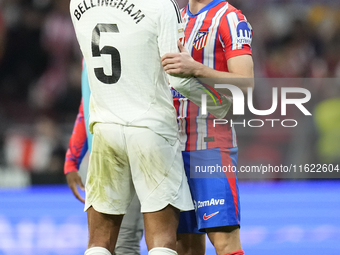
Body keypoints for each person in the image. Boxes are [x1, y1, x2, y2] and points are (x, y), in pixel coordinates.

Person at [69, 1, 196, 255]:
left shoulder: (77, 4)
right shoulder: (161, 6)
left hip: (105, 129)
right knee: (161, 241)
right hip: (151, 129)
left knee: (98, 243)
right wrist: (213, 90)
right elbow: (178, 78)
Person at [162, 1, 254, 255]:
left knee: (225, 243)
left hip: (210, 145)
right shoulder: (176, 18)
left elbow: (246, 84)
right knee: (185, 246)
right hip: (172, 147)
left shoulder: (230, 18)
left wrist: (196, 68)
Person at [64, 62, 144, 255]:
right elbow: (87, 104)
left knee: (121, 243)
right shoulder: (90, 51)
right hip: (111, 156)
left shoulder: (90, 50)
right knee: (110, 243)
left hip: (127, 151)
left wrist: (72, 159)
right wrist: (71, 160)